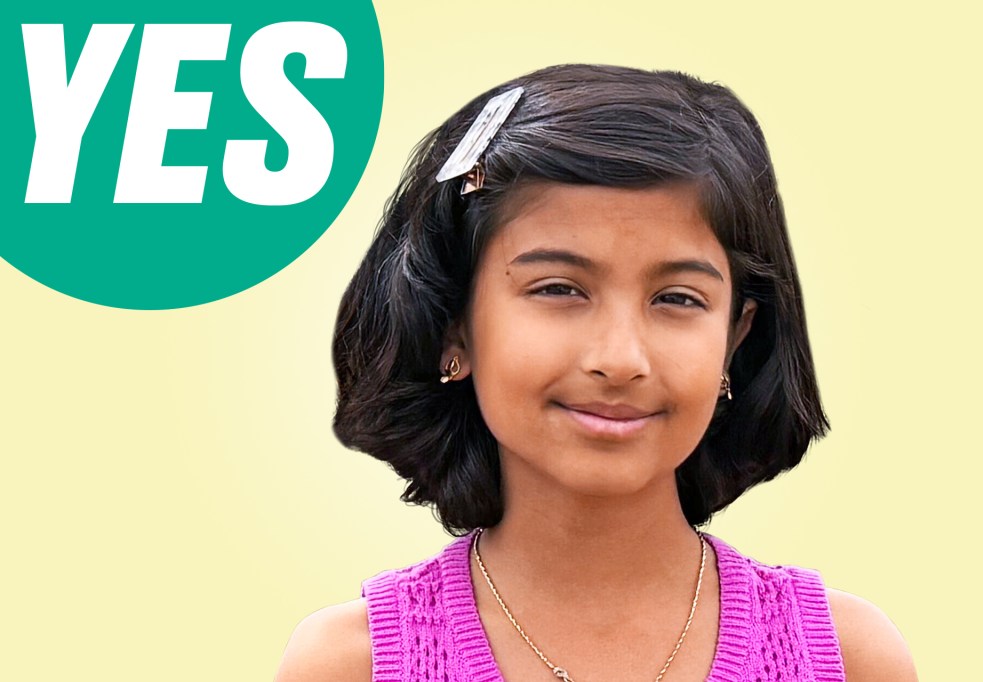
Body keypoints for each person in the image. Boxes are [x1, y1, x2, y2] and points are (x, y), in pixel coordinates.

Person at [274, 64, 917, 682]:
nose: (620, 359)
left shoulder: (846, 657)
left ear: (734, 338)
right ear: (454, 326)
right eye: (558, 289)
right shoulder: (352, 665)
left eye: (677, 299)